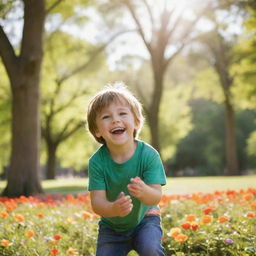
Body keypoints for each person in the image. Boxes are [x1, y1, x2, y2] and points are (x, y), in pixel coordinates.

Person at [86, 82, 166, 256]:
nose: (115, 119)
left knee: (150, 249)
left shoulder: (149, 155)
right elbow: (97, 203)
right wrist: (113, 209)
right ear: (97, 130)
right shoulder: (97, 162)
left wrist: (145, 191)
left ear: (136, 122)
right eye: (106, 117)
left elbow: (157, 196)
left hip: (146, 219)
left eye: (122, 113)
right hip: (112, 227)